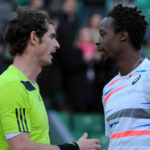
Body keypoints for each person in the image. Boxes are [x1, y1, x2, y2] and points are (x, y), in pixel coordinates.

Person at [0, 7, 101, 150]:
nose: (57, 45)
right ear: (34, 38)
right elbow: (21, 147)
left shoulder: (29, 84)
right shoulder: (13, 84)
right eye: (52, 37)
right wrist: (74, 148)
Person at [97, 4, 149, 150]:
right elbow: (117, 141)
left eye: (103, 34)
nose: (98, 41)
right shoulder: (108, 89)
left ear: (123, 35)